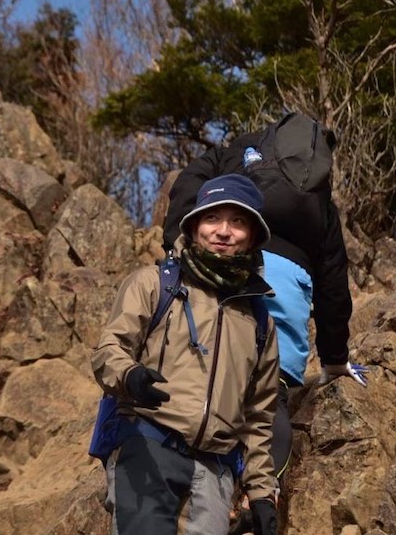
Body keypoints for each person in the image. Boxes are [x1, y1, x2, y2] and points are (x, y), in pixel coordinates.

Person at [163, 113, 368, 498]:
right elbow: (334, 288)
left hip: (231, 276)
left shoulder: (241, 151)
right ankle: (261, 493)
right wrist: (335, 360)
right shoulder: (322, 202)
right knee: (271, 401)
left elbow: (190, 178)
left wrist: (177, 238)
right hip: (287, 299)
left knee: (206, 379)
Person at [92, 174, 280, 535]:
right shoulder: (155, 283)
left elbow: (259, 417)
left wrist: (261, 492)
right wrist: (131, 377)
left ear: (253, 236)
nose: (223, 231)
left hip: (215, 471)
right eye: (212, 218)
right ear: (194, 226)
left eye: (238, 221)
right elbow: (108, 351)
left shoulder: (259, 320)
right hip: (147, 445)